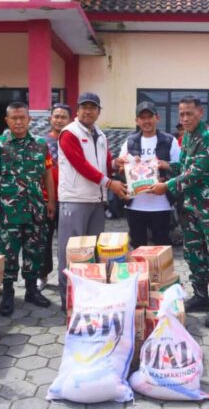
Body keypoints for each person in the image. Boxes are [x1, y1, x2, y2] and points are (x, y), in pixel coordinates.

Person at [149, 96, 209, 328]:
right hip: (191, 205)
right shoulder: (187, 136)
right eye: (182, 114)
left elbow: (196, 172)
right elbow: (185, 167)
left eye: (189, 114)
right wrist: (166, 165)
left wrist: (167, 186)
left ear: (200, 113)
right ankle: (201, 296)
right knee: (194, 251)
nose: (185, 118)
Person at [56, 92, 128, 311]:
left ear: (98, 111)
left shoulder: (100, 134)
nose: (88, 111)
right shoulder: (69, 133)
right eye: (84, 107)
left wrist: (117, 164)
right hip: (75, 200)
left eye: (92, 107)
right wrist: (110, 183)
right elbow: (81, 165)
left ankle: (88, 297)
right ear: (77, 110)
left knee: (92, 253)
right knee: (72, 253)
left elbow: (105, 163)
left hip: (96, 200)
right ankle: (68, 301)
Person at [0, 102, 55, 315]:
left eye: (22, 118)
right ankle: (8, 293)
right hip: (9, 211)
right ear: (7, 121)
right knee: (8, 252)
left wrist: (51, 202)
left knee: (35, 250)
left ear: (29, 120)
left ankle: (31, 290)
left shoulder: (41, 144)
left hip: (35, 208)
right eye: (14, 118)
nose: (18, 122)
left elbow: (47, 175)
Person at [115, 101, 180, 248]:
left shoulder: (169, 141)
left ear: (157, 118)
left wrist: (165, 170)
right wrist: (126, 167)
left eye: (149, 117)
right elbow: (121, 169)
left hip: (162, 205)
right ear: (137, 121)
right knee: (138, 248)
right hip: (135, 205)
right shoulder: (130, 142)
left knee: (161, 249)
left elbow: (180, 169)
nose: (146, 121)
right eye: (142, 118)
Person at [39, 103, 71, 290]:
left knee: (68, 242)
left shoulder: (74, 140)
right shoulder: (42, 142)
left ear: (70, 120)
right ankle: (42, 275)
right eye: (56, 116)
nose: (59, 120)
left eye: (63, 117)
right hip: (46, 199)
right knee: (44, 239)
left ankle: (68, 276)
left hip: (69, 198)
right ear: (50, 119)